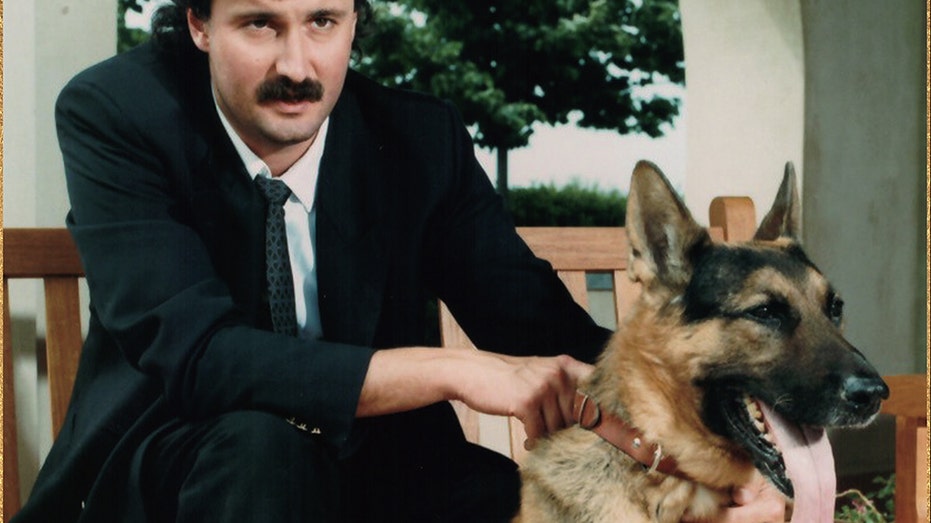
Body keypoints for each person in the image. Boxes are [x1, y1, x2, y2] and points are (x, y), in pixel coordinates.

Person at [14, 0, 786, 521]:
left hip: (378, 473)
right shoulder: (118, 112)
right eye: (259, 24)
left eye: (323, 20)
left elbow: (533, 319)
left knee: (509, 501)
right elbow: (198, 354)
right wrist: (453, 370)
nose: (297, 64)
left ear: (355, 22)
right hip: (177, 468)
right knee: (264, 451)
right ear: (198, 25)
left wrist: (724, 453)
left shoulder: (416, 138)